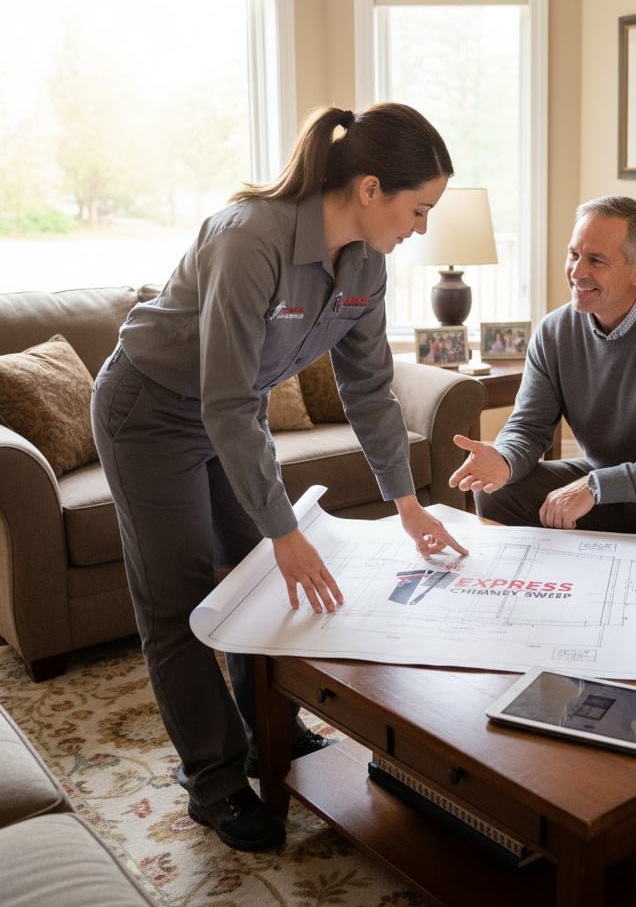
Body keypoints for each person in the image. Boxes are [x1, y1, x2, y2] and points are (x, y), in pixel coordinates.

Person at [91, 102, 468, 853]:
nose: (422, 227)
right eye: (418, 208)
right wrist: (286, 529)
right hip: (150, 410)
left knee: (259, 576)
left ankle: (269, 727)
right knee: (183, 599)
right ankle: (216, 781)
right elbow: (226, 398)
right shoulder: (249, 240)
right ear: (369, 188)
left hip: (226, 415)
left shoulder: (367, 263)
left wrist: (408, 504)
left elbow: (368, 389)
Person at [448, 195, 636, 587]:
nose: (576, 271)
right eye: (573, 254)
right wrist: (503, 460)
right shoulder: (554, 332)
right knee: (499, 491)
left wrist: (596, 486)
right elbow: (529, 427)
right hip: (605, 481)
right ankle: (551, 597)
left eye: (596, 261)